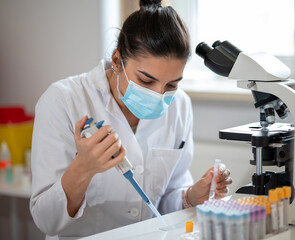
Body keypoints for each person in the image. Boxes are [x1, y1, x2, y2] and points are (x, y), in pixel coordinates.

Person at [30, 0, 232, 239]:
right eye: (146, 81)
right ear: (117, 61)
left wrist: (189, 197)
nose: (159, 95)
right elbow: (46, 220)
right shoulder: (63, 101)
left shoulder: (180, 106)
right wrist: (83, 169)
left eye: (171, 84)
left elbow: (160, 204)